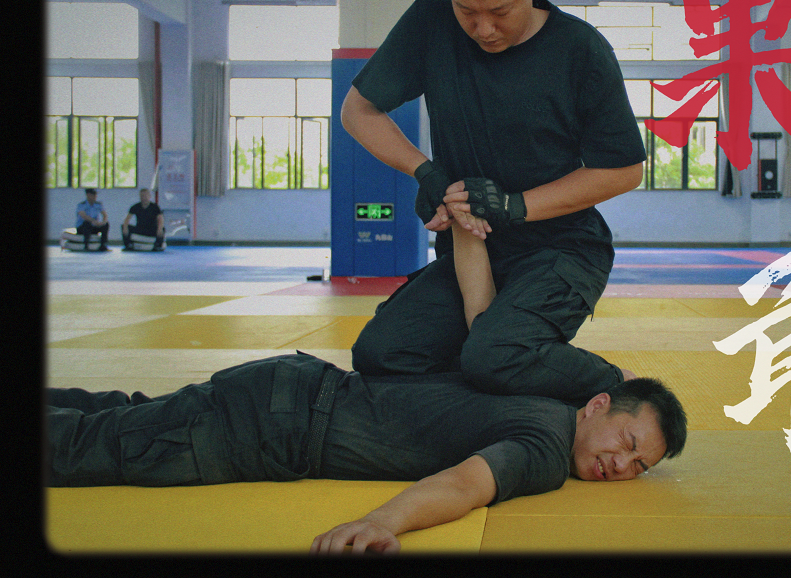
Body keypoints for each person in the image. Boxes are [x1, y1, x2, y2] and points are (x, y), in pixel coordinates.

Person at [47, 214, 687, 555]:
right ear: (597, 405)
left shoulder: (519, 375)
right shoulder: (546, 443)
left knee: (123, 416)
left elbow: (481, 315)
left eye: (639, 466)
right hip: (277, 429)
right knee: (92, 450)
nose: (621, 465)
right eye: (628, 442)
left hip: (290, 389)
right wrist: (380, 523)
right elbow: (464, 485)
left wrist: (467, 231)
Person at [341, 0, 647, 408]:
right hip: (471, 251)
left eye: (500, 11)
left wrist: (514, 206)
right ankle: (496, 382)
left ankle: (614, 381)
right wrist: (426, 173)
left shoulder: (579, 49)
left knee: (493, 356)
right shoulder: (431, 21)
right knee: (382, 354)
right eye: (466, 11)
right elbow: (358, 111)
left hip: (560, 249)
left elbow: (624, 170)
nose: (483, 29)